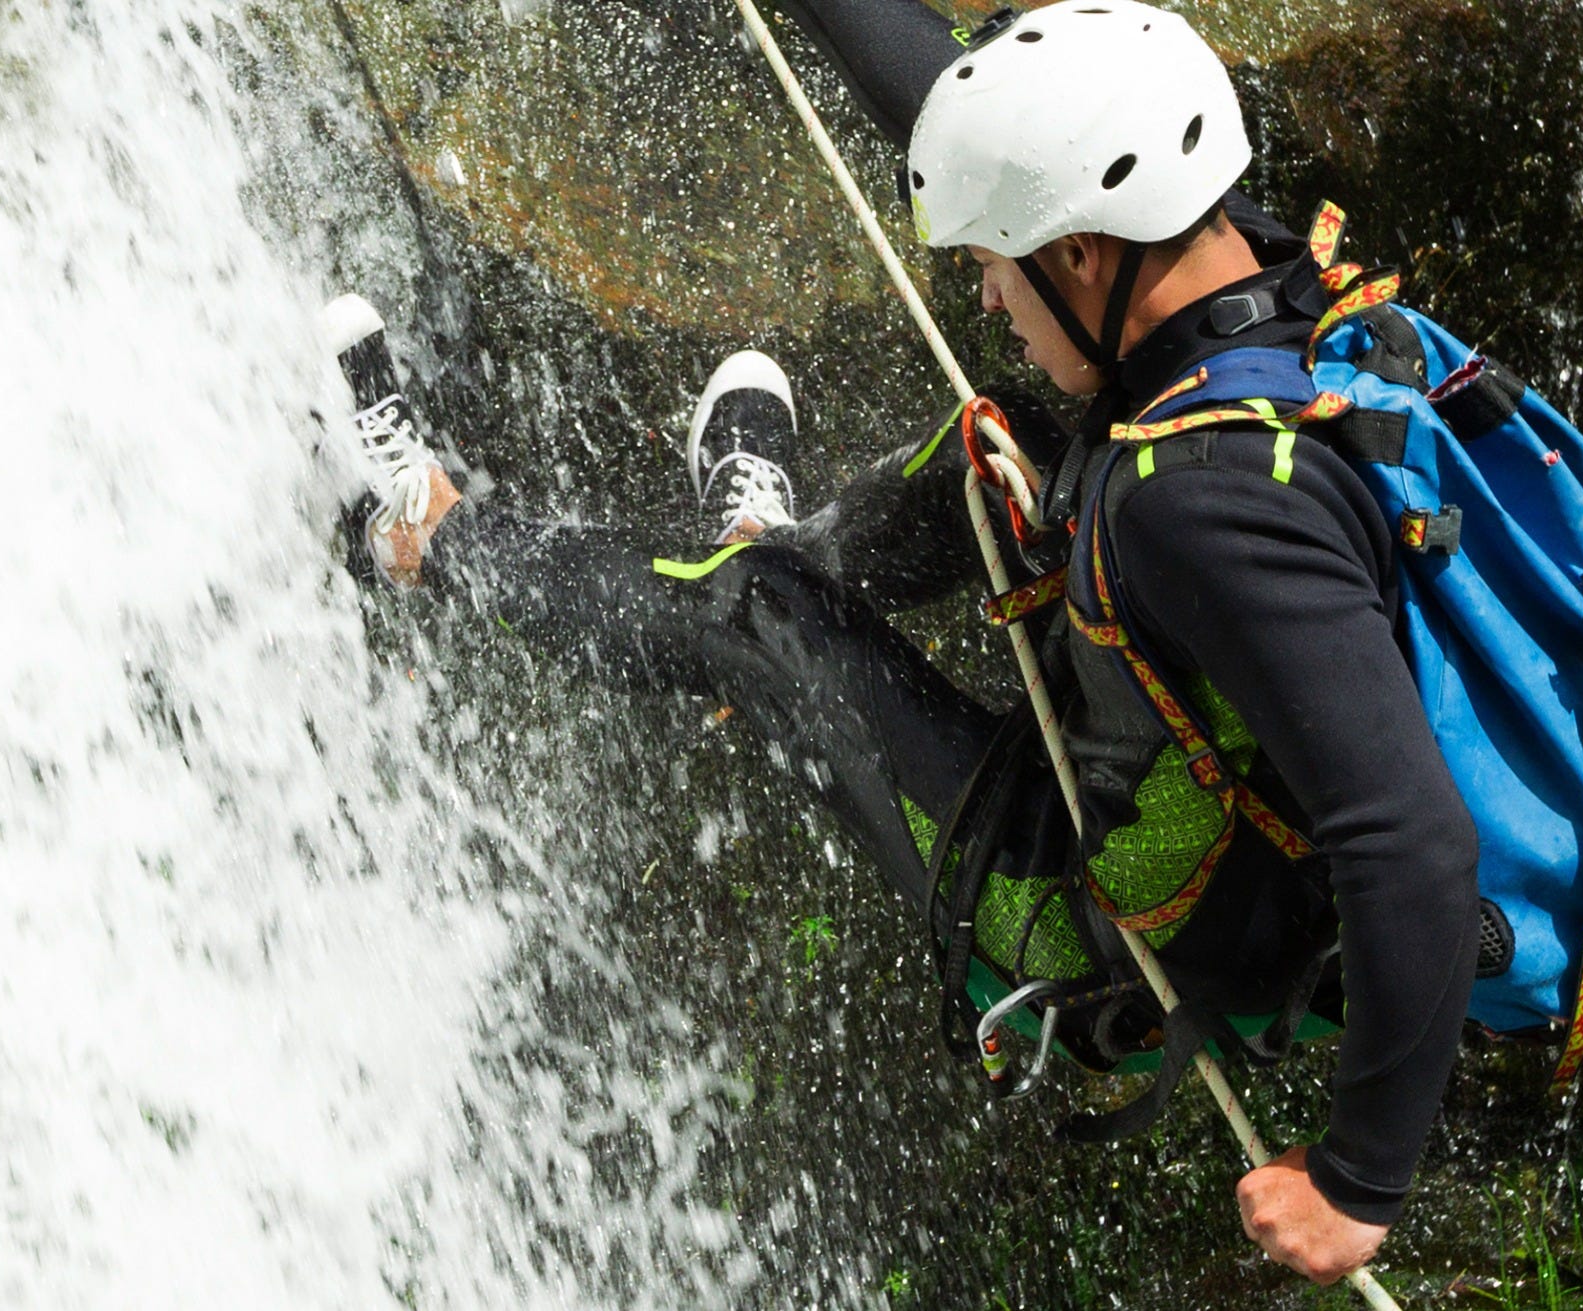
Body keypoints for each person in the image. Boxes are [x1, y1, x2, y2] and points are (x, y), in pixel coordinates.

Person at [319, 0, 1477, 1285]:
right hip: (1201, 805)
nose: (983, 293)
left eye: (996, 260)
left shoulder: (1211, 508)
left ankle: (426, 534)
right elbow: (967, 120)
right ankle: (763, 531)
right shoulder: (1242, 273)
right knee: (1006, 450)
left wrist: (1359, 1178)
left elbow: (1409, 836)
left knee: (752, 615)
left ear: (1083, 252)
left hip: (1095, 925)